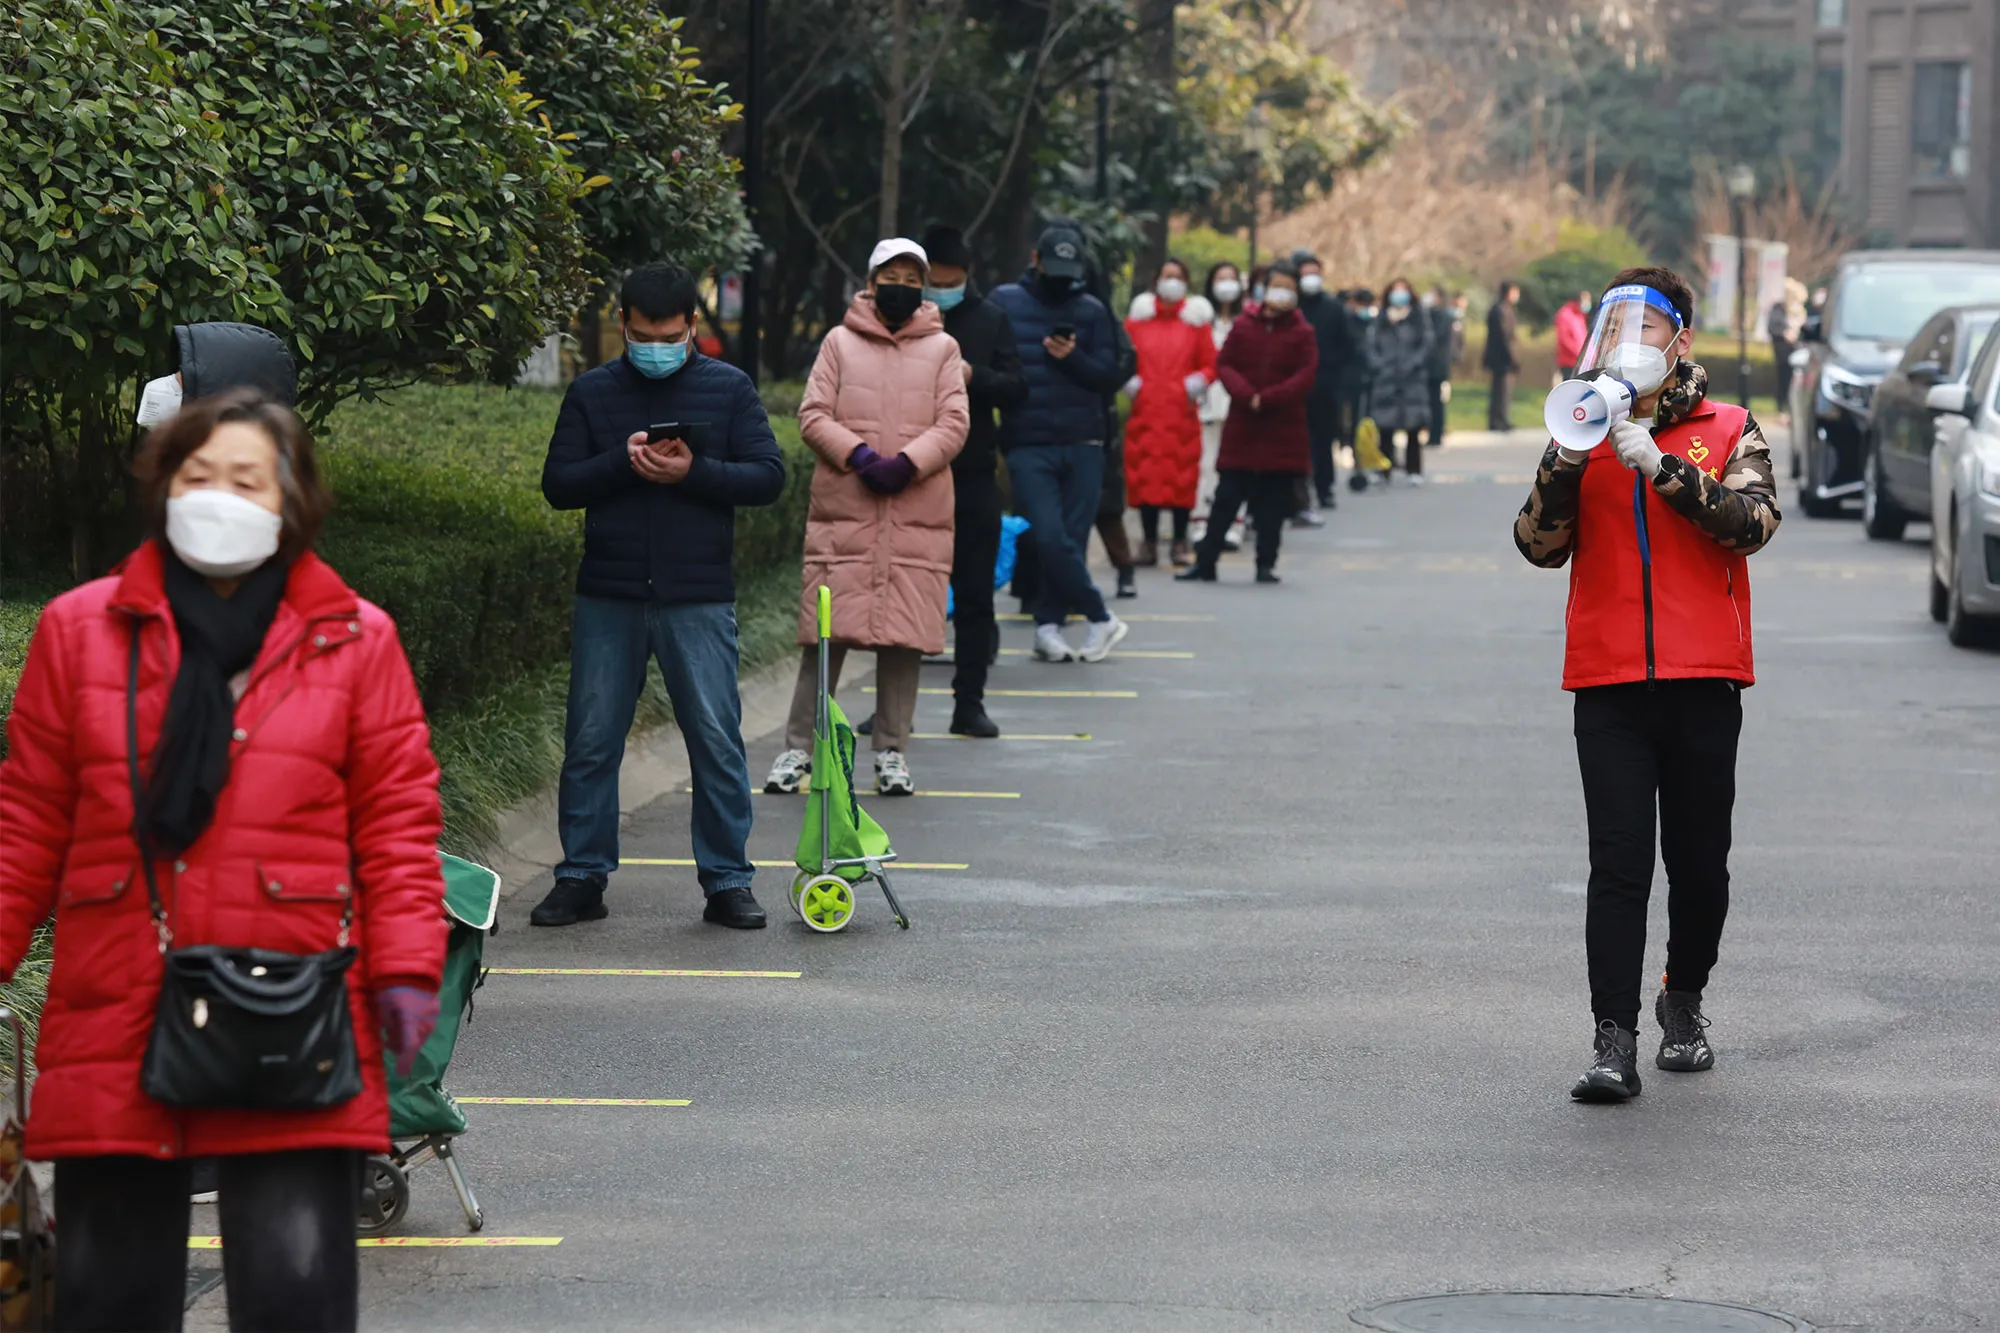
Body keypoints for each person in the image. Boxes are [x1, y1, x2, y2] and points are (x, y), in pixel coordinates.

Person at [1, 389, 447, 1332]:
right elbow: (28, 821)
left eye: (246, 478)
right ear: (162, 487)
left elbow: (398, 823)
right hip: (116, 1006)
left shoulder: (357, 639)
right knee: (108, 1298)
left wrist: (406, 967)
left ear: (291, 499)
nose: (219, 495)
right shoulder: (78, 631)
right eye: (197, 476)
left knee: (297, 1297)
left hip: (298, 1013)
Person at [1512, 266, 1783, 1103]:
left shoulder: (1730, 426)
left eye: (1647, 327)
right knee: (1618, 866)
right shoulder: (1583, 424)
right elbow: (1536, 544)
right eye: (1616, 325)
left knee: (1700, 865)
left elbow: (1752, 524)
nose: (1630, 342)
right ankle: (1612, 1040)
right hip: (1609, 680)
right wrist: (1567, 459)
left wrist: (1661, 465)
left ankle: (1684, 1000)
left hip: (1705, 679)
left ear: (1680, 341)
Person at [537, 261, 787, 931]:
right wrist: (623, 461)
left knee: (715, 738)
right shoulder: (592, 393)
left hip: (698, 593)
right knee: (591, 740)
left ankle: (728, 879)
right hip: (609, 593)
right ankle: (581, 876)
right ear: (622, 324)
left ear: (693, 327)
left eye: (670, 334)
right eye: (644, 333)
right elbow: (558, 484)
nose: (656, 345)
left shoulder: (728, 389)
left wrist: (693, 471)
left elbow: (769, 476)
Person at [766, 237, 968, 798]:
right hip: (847, 511)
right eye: (892, 276)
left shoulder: (944, 349)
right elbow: (812, 414)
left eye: (912, 278)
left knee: (903, 641)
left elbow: (955, 423)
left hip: (916, 510)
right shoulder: (838, 342)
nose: (901, 287)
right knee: (825, 637)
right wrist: (858, 456)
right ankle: (798, 749)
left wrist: (907, 463)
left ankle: (891, 752)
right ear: (871, 279)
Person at [989, 223, 1130, 664]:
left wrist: (1075, 360)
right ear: (1035, 260)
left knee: (1070, 537)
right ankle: (1100, 616)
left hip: (1084, 440)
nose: (1061, 276)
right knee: (1048, 536)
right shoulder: (1004, 302)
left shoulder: (1091, 308)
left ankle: (1047, 627)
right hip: (1028, 441)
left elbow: (1111, 375)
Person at [920, 224, 1027, 740]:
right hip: (911, 477)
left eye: (952, 279)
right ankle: (894, 705)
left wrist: (973, 376)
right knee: (907, 594)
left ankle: (970, 702)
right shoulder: (902, 321)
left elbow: (1017, 388)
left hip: (973, 475)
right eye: (934, 279)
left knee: (975, 594)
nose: (942, 288)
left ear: (968, 277)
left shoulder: (990, 320)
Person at [1177, 261, 1319, 585]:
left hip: (1282, 426)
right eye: (1276, 286)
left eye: (1288, 288)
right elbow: (1224, 364)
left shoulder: (1303, 333)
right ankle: (1206, 560)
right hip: (1244, 424)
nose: (1281, 294)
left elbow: (1305, 376)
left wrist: (1268, 398)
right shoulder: (1244, 325)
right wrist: (1245, 394)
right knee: (1227, 494)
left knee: (1273, 501)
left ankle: (1266, 563)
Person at [1124, 258, 1217, 568]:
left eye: (1178, 276)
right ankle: (1148, 541)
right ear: (1156, 280)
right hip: (1146, 411)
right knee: (1145, 475)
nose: (1171, 281)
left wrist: (1198, 382)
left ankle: (1180, 540)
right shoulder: (1137, 323)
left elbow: (1211, 362)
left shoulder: (1195, 325)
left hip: (1181, 412)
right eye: (1167, 276)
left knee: (1182, 476)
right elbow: (1122, 354)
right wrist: (1128, 380)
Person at [1295, 252, 1351, 520]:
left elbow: (1347, 346)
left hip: (1325, 384)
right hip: (1295, 386)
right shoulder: (1292, 309)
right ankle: (1298, 490)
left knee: (1323, 440)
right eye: (1305, 273)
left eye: (1314, 273)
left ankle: (1324, 487)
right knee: (1297, 441)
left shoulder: (1334, 309)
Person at [1193, 262, 1246, 551]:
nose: (1226, 284)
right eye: (1220, 278)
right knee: (1205, 465)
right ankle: (1200, 521)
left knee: (1235, 467)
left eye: (1231, 278)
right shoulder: (1201, 320)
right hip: (1206, 401)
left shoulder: (1247, 319)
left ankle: (1234, 524)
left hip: (1237, 402)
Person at [1364, 277, 1436, 483]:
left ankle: (1414, 470)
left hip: (1412, 380)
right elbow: (1371, 345)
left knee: (1413, 428)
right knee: (1385, 429)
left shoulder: (1418, 317)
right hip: (1386, 379)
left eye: (1402, 290)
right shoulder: (1381, 319)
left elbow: (1427, 344)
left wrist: (1413, 364)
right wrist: (1380, 365)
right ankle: (1383, 470)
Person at [1422, 286, 1459, 450]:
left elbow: (1433, 337)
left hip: (1437, 367)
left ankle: (1436, 434)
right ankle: (1433, 433)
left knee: (1436, 402)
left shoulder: (1442, 316)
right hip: (1431, 366)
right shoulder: (1431, 314)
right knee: (1431, 401)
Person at [1484, 280, 1522, 431]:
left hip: (1503, 358)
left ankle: (1500, 419)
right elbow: (1504, 336)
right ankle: (1498, 420)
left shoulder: (1506, 309)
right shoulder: (1500, 310)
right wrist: (1512, 357)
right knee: (1500, 390)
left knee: (1503, 391)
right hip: (1501, 358)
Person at [1553, 287, 1593, 383]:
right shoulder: (1565, 314)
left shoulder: (1580, 315)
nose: (1588, 303)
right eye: (1586, 300)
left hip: (1581, 362)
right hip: (1569, 362)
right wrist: (1580, 353)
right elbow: (1564, 339)